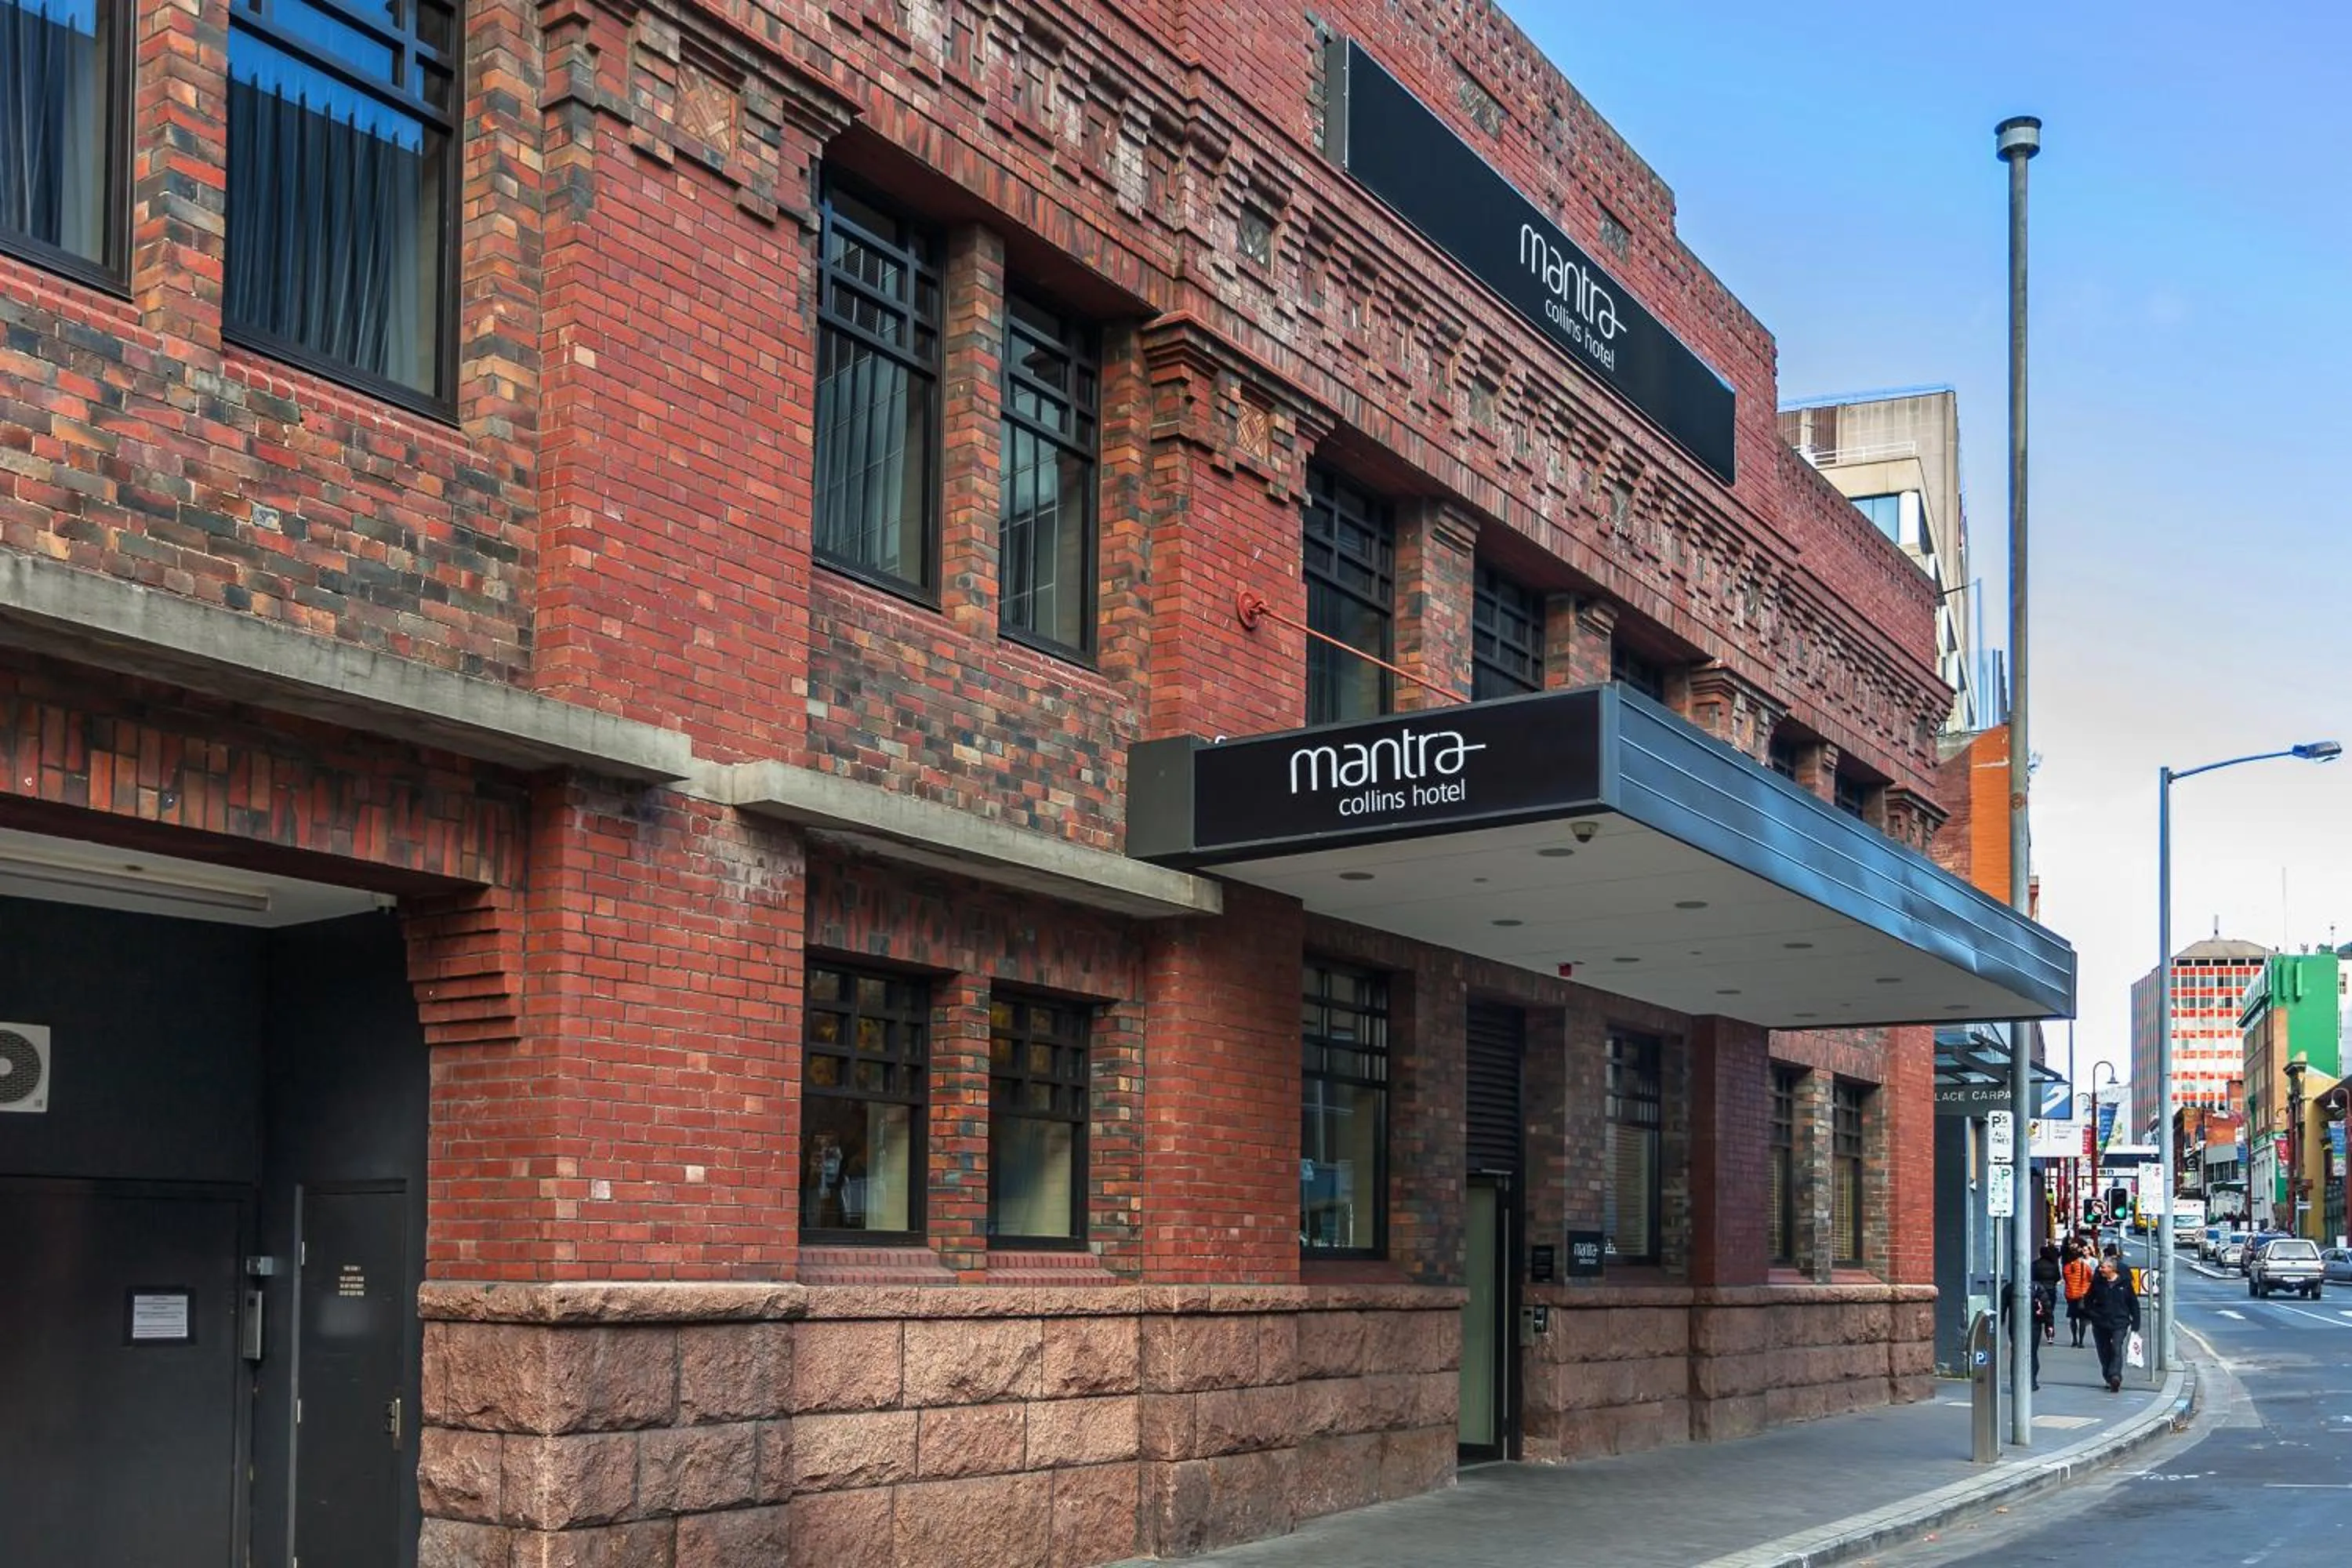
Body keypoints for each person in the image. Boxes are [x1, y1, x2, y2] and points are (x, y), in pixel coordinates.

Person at [2085, 1253, 2141, 1393]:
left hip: (2120, 1322)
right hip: (2100, 1323)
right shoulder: (2098, 1283)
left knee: (2116, 1347)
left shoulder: (2125, 1285)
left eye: (2103, 1267)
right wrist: (2092, 1315)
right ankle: (2108, 1377)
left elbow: (2133, 1304)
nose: (2100, 1270)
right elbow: (2088, 1300)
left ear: (2112, 1269)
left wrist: (2136, 1322)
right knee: (2104, 1351)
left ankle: (2115, 1376)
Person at [2063, 1241, 2096, 1347]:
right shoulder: (2084, 1266)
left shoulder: (2066, 1267)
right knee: (2082, 1319)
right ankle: (2081, 1341)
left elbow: (2066, 1279)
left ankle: (2074, 1339)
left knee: (2073, 1318)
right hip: (2082, 1294)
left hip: (2070, 1294)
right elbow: (2091, 1278)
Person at [2033, 1243, 2063, 1346]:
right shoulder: (2053, 1265)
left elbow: (2032, 1277)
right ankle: (2050, 1334)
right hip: (2051, 1290)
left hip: (2038, 1291)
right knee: (2050, 1313)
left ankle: (2035, 1333)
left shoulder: (2035, 1264)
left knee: (2036, 1312)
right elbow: (2058, 1277)